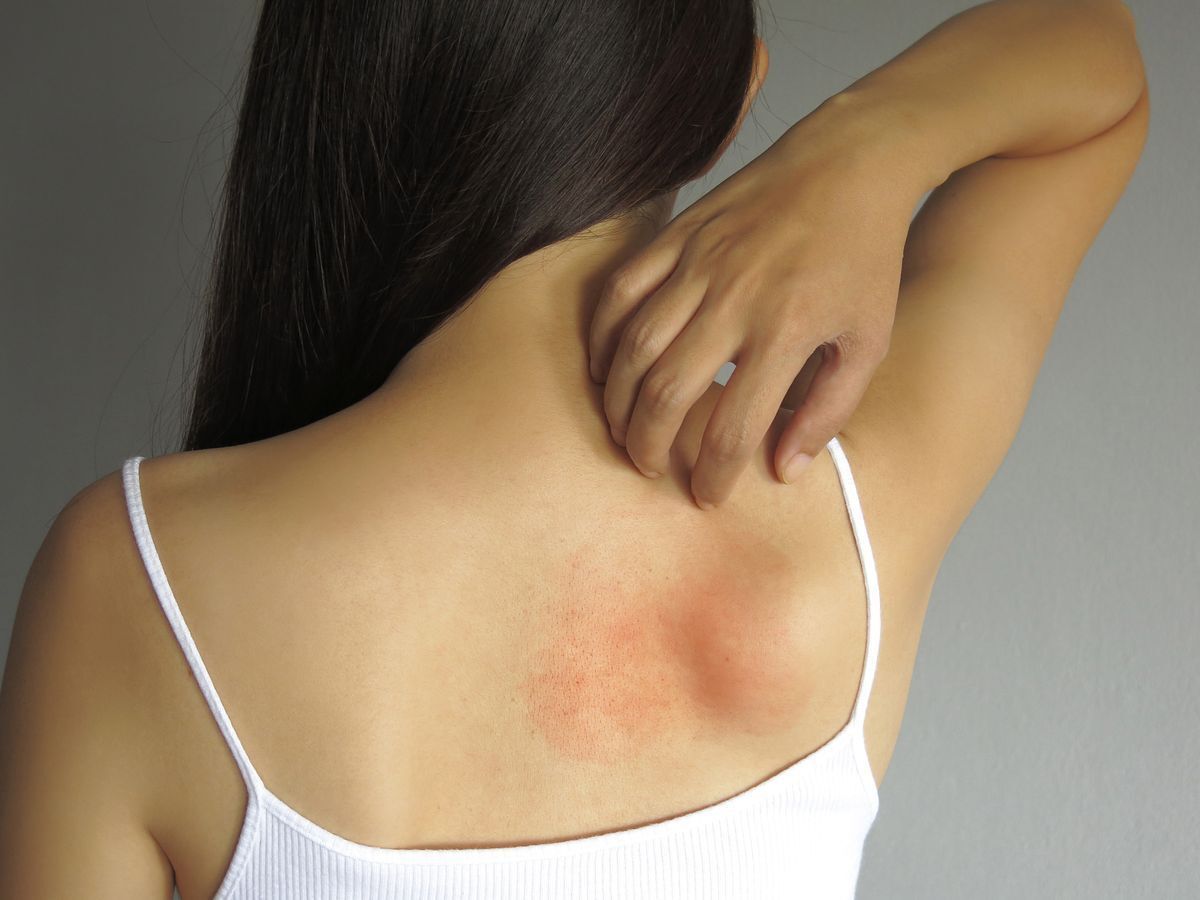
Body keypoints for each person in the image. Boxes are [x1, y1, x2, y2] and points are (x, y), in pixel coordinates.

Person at [0, 0, 1148, 897]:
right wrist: (858, 149)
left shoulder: (135, 579)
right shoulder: (849, 492)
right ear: (728, 100)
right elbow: (1100, 64)